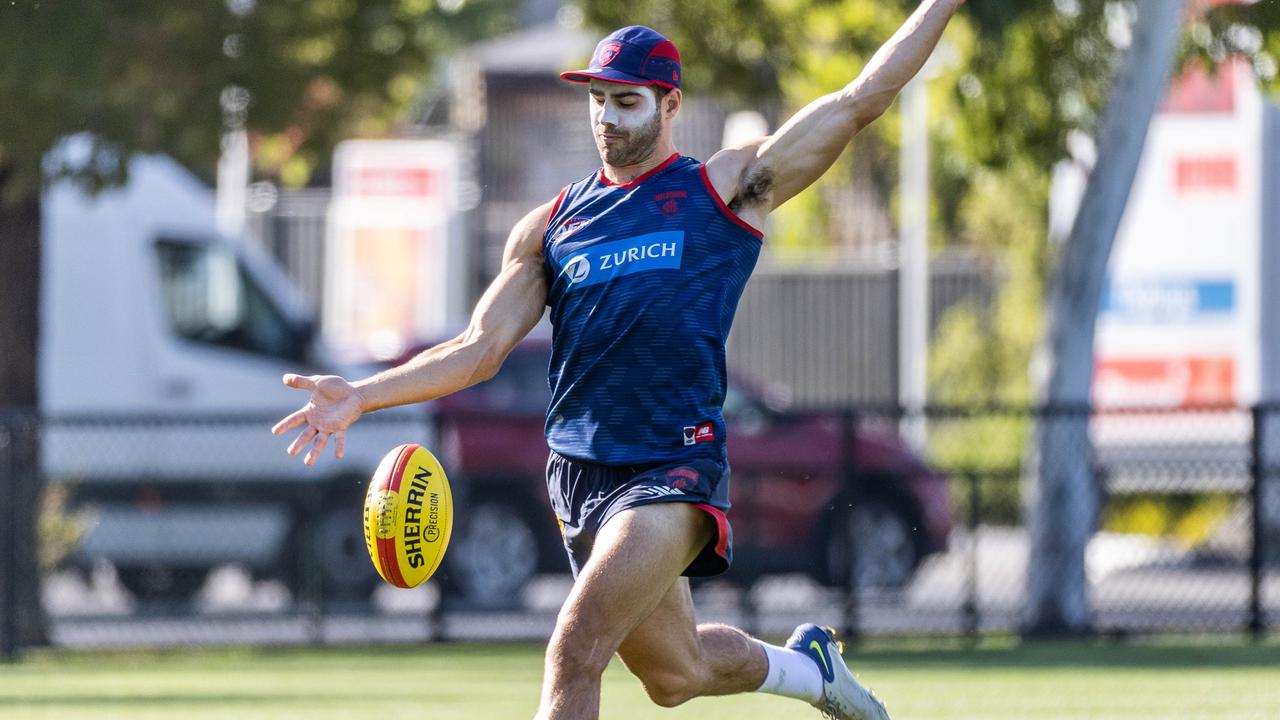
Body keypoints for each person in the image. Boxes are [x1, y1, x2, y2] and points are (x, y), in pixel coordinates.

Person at [273, 3, 962, 718]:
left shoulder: (719, 189)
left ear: (670, 105)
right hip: (577, 473)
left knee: (575, 644)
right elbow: (477, 350)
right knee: (677, 674)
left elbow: (858, 102)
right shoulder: (552, 225)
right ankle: (810, 670)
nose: (606, 116)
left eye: (626, 101)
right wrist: (361, 395)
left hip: (671, 465)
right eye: (598, 99)